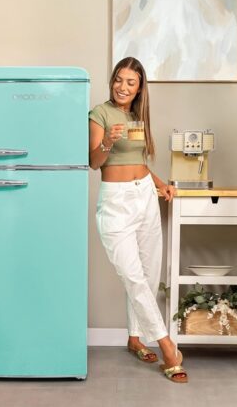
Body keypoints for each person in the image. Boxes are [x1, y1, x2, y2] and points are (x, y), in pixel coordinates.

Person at [89, 57, 188, 383]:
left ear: (139, 87)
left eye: (130, 82)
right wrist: (107, 141)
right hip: (116, 201)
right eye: (119, 80)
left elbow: (140, 163)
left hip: (145, 195)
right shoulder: (99, 113)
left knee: (147, 274)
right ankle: (167, 347)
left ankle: (135, 338)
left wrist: (161, 185)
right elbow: (94, 161)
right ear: (112, 81)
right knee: (133, 277)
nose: (122, 87)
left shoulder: (137, 117)